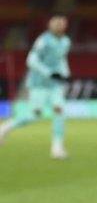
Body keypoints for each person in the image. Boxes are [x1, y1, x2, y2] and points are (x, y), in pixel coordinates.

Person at [0, 14, 71, 159]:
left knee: (59, 110)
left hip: (54, 85)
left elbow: (61, 59)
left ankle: (57, 148)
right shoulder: (43, 40)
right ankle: (3, 128)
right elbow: (31, 60)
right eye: (60, 24)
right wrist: (49, 73)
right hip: (39, 84)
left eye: (64, 24)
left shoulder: (65, 41)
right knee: (34, 115)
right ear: (53, 25)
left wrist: (65, 73)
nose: (63, 26)